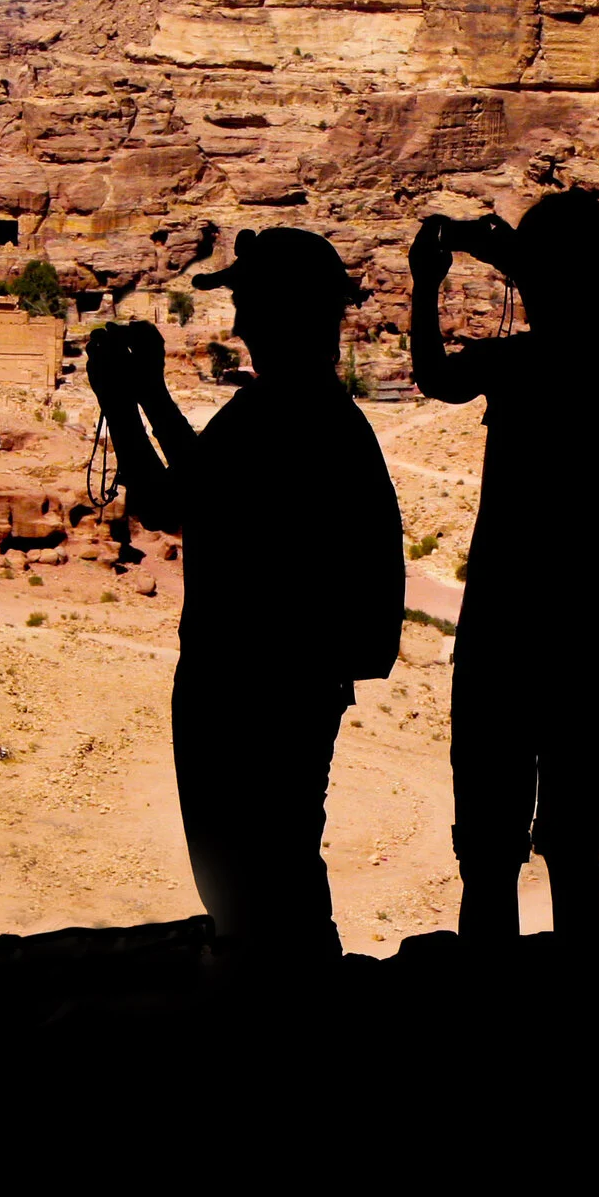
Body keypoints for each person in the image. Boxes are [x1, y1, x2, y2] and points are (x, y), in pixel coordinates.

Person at [85, 228, 404, 962]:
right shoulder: (312, 410)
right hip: (293, 684)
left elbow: (170, 500)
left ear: (283, 312)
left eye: (250, 304)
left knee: (248, 883)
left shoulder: (279, 413)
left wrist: (120, 402)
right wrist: (154, 394)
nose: (239, 325)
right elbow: (207, 480)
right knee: (283, 867)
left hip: (243, 686)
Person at [409, 191, 599, 943]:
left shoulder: (518, 362)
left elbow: (435, 376)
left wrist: (425, 284)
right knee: (575, 844)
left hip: (505, 626)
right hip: (596, 632)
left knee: (489, 849)